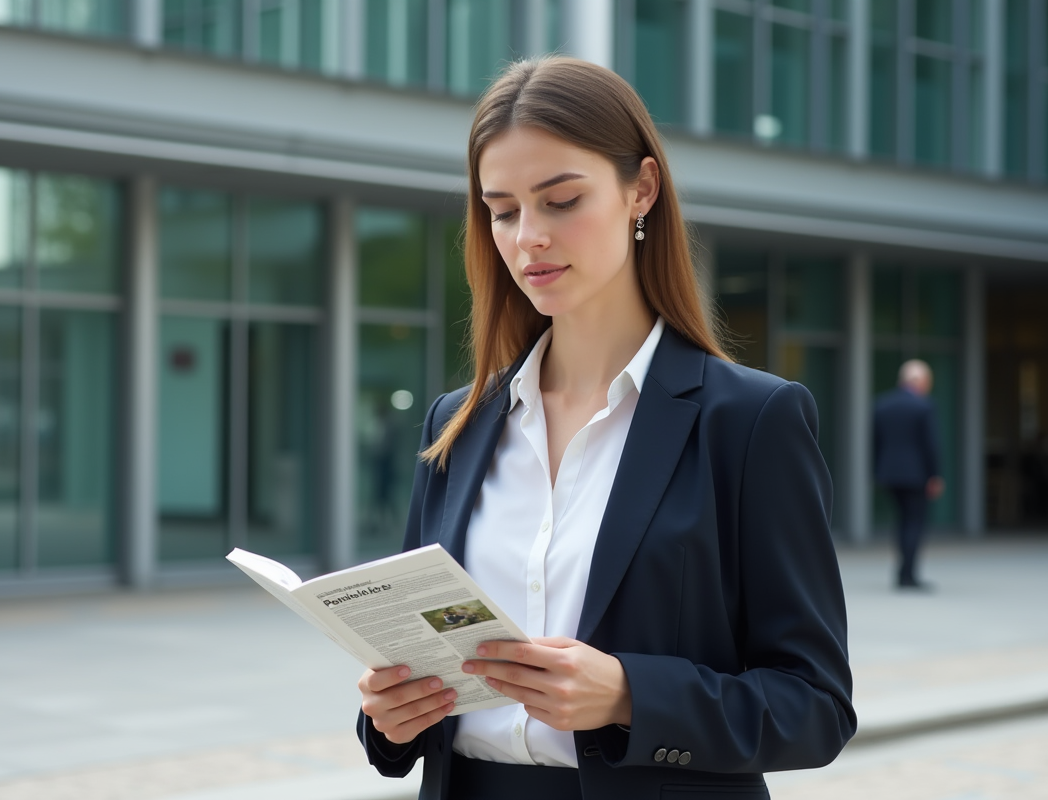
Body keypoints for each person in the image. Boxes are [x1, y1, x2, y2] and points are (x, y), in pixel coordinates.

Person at [355, 56, 855, 800]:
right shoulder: (457, 422)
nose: (529, 237)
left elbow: (814, 707)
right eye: (503, 209)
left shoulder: (750, 421)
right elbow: (421, 683)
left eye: (560, 200)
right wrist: (389, 717)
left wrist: (628, 695)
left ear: (641, 190)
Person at [872, 360, 944, 590]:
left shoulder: (882, 404)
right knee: (914, 523)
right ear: (920, 381)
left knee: (902, 522)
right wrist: (935, 475)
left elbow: (875, 442)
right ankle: (908, 576)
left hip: (890, 473)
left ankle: (902, 572)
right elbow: (930, 445)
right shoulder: (923, 406)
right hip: (916, 475)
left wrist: (876, 470)